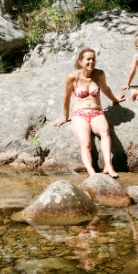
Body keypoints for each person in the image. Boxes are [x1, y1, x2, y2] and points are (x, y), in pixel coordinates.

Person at [53, 47, 125, 178]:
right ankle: (92, 172)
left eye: (93, 59)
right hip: (79, 114)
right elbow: (66, 97)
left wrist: (115, 99)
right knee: (86, 143)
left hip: (96, 112)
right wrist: (65, 117)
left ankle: (108, 166)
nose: (91, 62)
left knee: (105, 131)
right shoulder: (72, 77)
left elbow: (105, 89)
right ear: (80, 61)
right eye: (88, 59)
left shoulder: (99, 74)